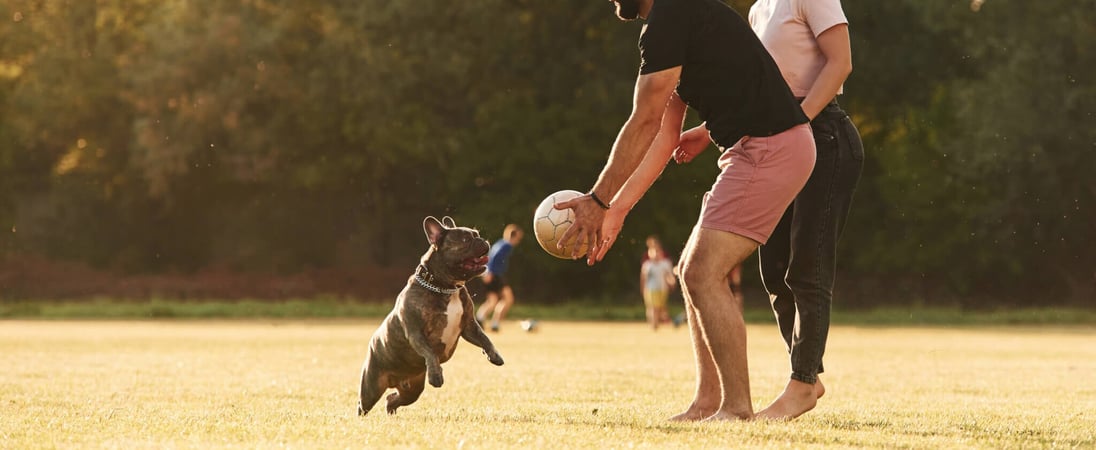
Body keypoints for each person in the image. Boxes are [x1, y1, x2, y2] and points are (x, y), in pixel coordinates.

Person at [556, 0, 816, 421]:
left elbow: (642, 121)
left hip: (770, 147)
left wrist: (597, 200)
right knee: (691, 272)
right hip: (756, 149)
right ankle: (707, 401)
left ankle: (735, 409)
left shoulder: (671, 14)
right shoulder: (676, 21)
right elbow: (662, 137)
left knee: (701, 271)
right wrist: (616, 210)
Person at [748, 0, 864, 420]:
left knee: (807, 267)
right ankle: (810, 377)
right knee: (774, 269)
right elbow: (763, 86)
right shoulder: (759, 9)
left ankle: (799, 384)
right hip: (779, 139)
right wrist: (709, 132)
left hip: (824, 136)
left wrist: (797, 125)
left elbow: (840, 63)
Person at [476, 224, 523, 332]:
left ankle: (480, 318)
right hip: (495, 275)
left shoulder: (500, 243)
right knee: (508, 299)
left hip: (491, 274)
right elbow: (496, 257)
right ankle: (494, 323)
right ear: (514, 236)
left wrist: (487, 271)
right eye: (518, 238)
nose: (518, 241)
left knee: (492, 301)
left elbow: (491, 256)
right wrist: (490, 272)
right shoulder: (507, 245)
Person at [640, 236, 676, 330]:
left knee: (660, 309)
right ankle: (654, 326)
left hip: (662, 289)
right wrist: (643, 289)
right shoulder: (647, 265)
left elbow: (669, 276)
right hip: (651, 289)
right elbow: (643, 278)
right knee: (654, 308)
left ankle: (658, 322)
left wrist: (672, 282)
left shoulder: (665, 264)